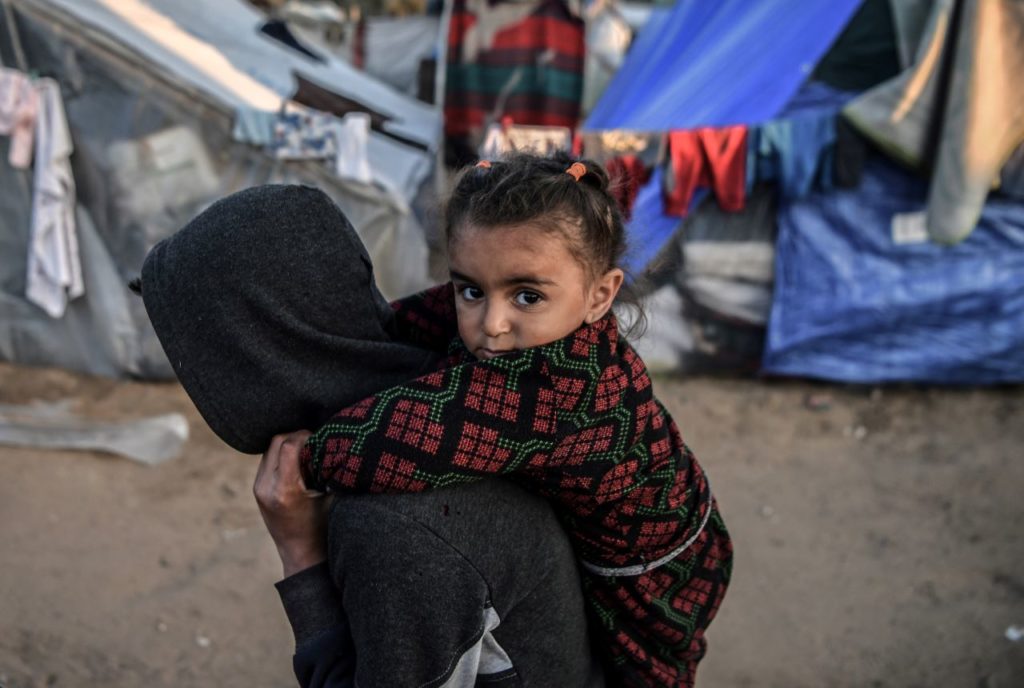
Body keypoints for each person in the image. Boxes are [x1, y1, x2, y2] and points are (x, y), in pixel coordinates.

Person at [290, 153, 733, 687]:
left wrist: (306, 460)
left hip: (658, 573)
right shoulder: (532, 326)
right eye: (470, 289)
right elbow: (408, 323)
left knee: (642, 670)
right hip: (661, 521)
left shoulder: (557, 390)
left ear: (601, 294)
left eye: (527, 296)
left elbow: (389, 445)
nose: (491, 324)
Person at [136, 183, 605, 687]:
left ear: (257, 351)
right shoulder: (444, 405)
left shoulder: (396, 522)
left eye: (197, 354)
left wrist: (301, 555)